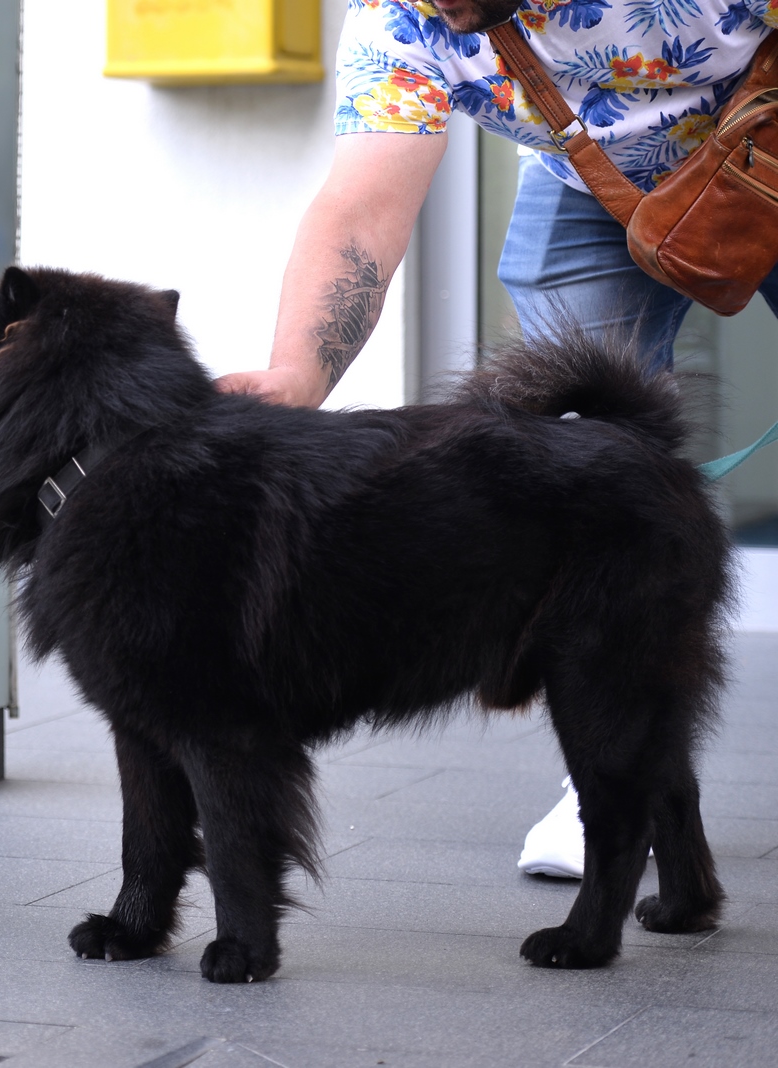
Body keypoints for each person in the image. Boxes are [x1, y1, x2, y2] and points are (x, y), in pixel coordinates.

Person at [217, 1, 778, 877]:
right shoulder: (398, 19)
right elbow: (362, 209)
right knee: (582, 465)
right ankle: (609, 777)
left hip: (768, 129)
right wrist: (298, 375)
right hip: (599, 182)